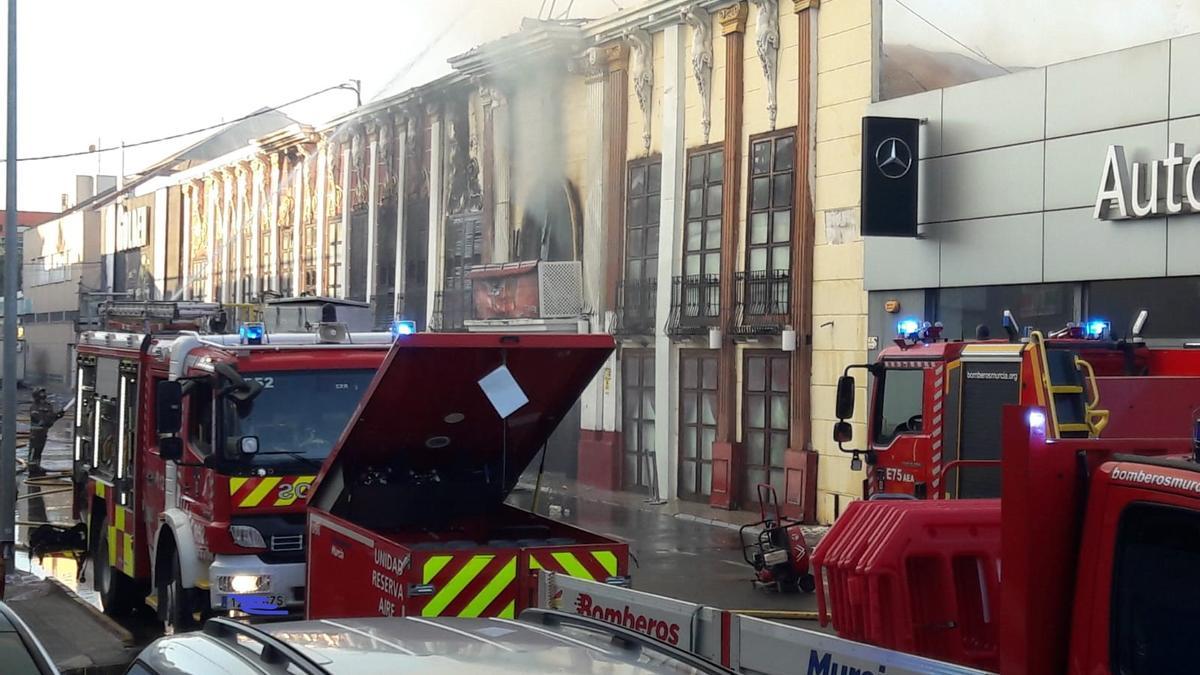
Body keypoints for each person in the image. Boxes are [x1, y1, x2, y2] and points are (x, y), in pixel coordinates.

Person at [27, 389, 63, 477]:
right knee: (34, 450)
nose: (43, 395)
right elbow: (39, 418)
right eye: (41, 393)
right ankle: (32, 468)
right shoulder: (34, 407)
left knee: (39, 450)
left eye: (44, 393)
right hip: (36, 433)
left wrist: (58, 415)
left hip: (43, 432)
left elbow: (52, 418)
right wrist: (49, 419)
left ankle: (37, 466)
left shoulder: (48, 406)